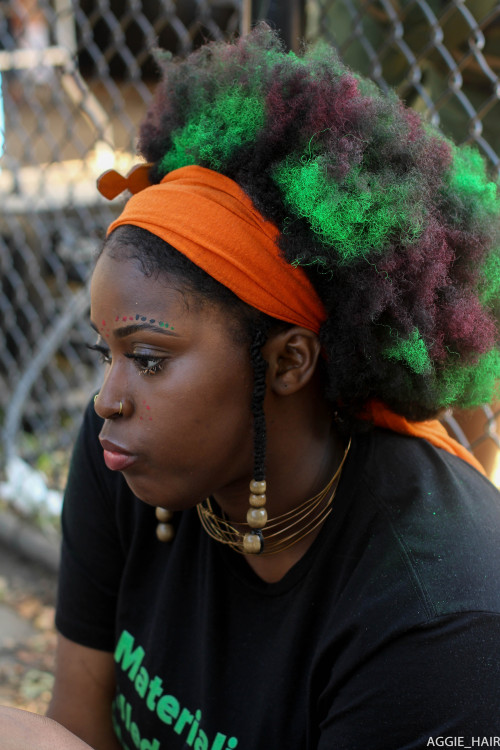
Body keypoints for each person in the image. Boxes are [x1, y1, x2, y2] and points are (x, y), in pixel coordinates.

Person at [4, 23, 500, 750]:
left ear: (289, 363)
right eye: (102, 351)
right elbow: (83, 725)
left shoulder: (441, 619)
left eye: (147, 357)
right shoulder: (124, 457)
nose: (107, 397)